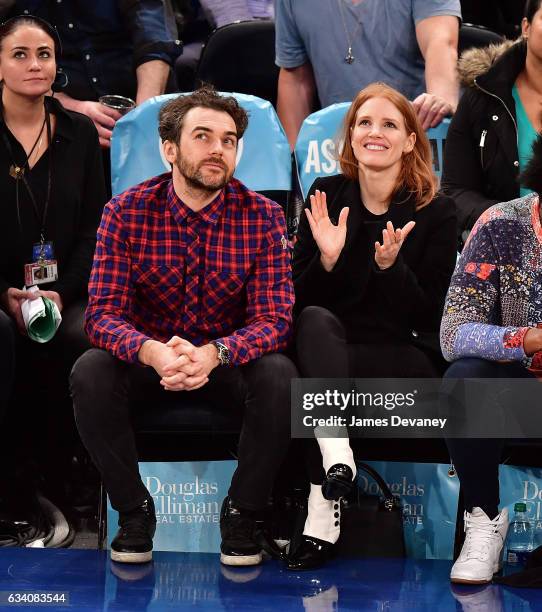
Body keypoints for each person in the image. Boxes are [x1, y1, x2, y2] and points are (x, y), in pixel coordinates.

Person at [70, 86, 297, 566]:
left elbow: (274, 320)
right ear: (169, 149)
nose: (218, 149)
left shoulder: (265, 216)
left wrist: (215, 353)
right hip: (151, 362)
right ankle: (133, 511)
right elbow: (102, 315)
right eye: (203, 136)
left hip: (224, 363)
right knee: (91, 370)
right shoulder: (124, 212)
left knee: (280, 374)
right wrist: (153, 352)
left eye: (229, 140)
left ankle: (243, 513)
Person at [287, 82, 458, 570]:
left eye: (388, 124)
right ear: (351, 136)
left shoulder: (436, 210)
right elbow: (298, 302)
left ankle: (322, 503)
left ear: (410, 140)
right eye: (364, 122)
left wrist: (390, 270)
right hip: (330, 350)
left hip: (402, 355)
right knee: (316, 324)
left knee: (309, 383)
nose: (374, 132)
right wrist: (328, 259)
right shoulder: (325, 193)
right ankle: (335, 453)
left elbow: (433, 317)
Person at [0, 15, 106, 503]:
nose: (35, 64)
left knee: (91, 334)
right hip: (1, 292)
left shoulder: (80, 134)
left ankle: (77, 472)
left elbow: (94, 229)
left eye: (44, 54)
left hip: (66, 289)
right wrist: (6, 295)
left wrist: (62, 293)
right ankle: (12, 479)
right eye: (20, 54)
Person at [440, 132, 542, 585]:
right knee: (465, 377)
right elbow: (453, 333)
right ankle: (482, 524)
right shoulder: (502, 224)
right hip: (520, 393)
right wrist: (528, 339)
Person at [275, 0, 461, 149]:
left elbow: (440, 42)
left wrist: (439, 99)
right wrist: (292, 161)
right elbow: (295, 78)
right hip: (337, 145)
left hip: (418, 137)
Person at [2, 1, 182, 148]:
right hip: (54, 110)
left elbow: (154, 40)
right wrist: (71, 109)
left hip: (140, 101)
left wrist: (142, 119)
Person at [442, 0, 542, 243]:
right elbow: (455, 191)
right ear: (526, 27)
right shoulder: (482, 95)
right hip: (504, 247)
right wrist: (508, 220)